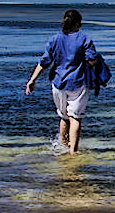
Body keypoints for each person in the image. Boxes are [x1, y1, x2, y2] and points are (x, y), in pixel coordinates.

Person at [24, 9, 108, 154]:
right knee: (75, 118)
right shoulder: (84, 39)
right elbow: (92, 60)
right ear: (78, 23)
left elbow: (44, 62)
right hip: (78, 83)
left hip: (58, 83)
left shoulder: (55, 39)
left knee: (63, 116)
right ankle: (73, 152)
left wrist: (32, 80)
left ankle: (62, 147)